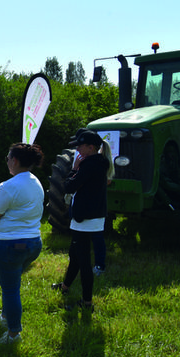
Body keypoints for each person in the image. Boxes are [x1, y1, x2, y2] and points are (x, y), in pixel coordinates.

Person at [0, 142, 45, 345]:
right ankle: (5, 317)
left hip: (9, 245)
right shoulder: (36, 182)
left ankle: (13, 334)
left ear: (15, 160)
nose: (7, 161)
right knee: (12, 285)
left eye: (8, 158)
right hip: (33, 243)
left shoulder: (8, 186)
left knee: (10, 290)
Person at [53, 129, 113, 311]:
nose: (78, 149)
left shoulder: (89, 165)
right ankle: (65, 287)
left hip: (84, 219)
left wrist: (74, 169)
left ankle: (87, 303)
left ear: (91, 147)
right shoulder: (100, 162)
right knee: (75, 255)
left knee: (83, 261)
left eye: (80, 146)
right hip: (93, 216)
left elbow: (69, 186)